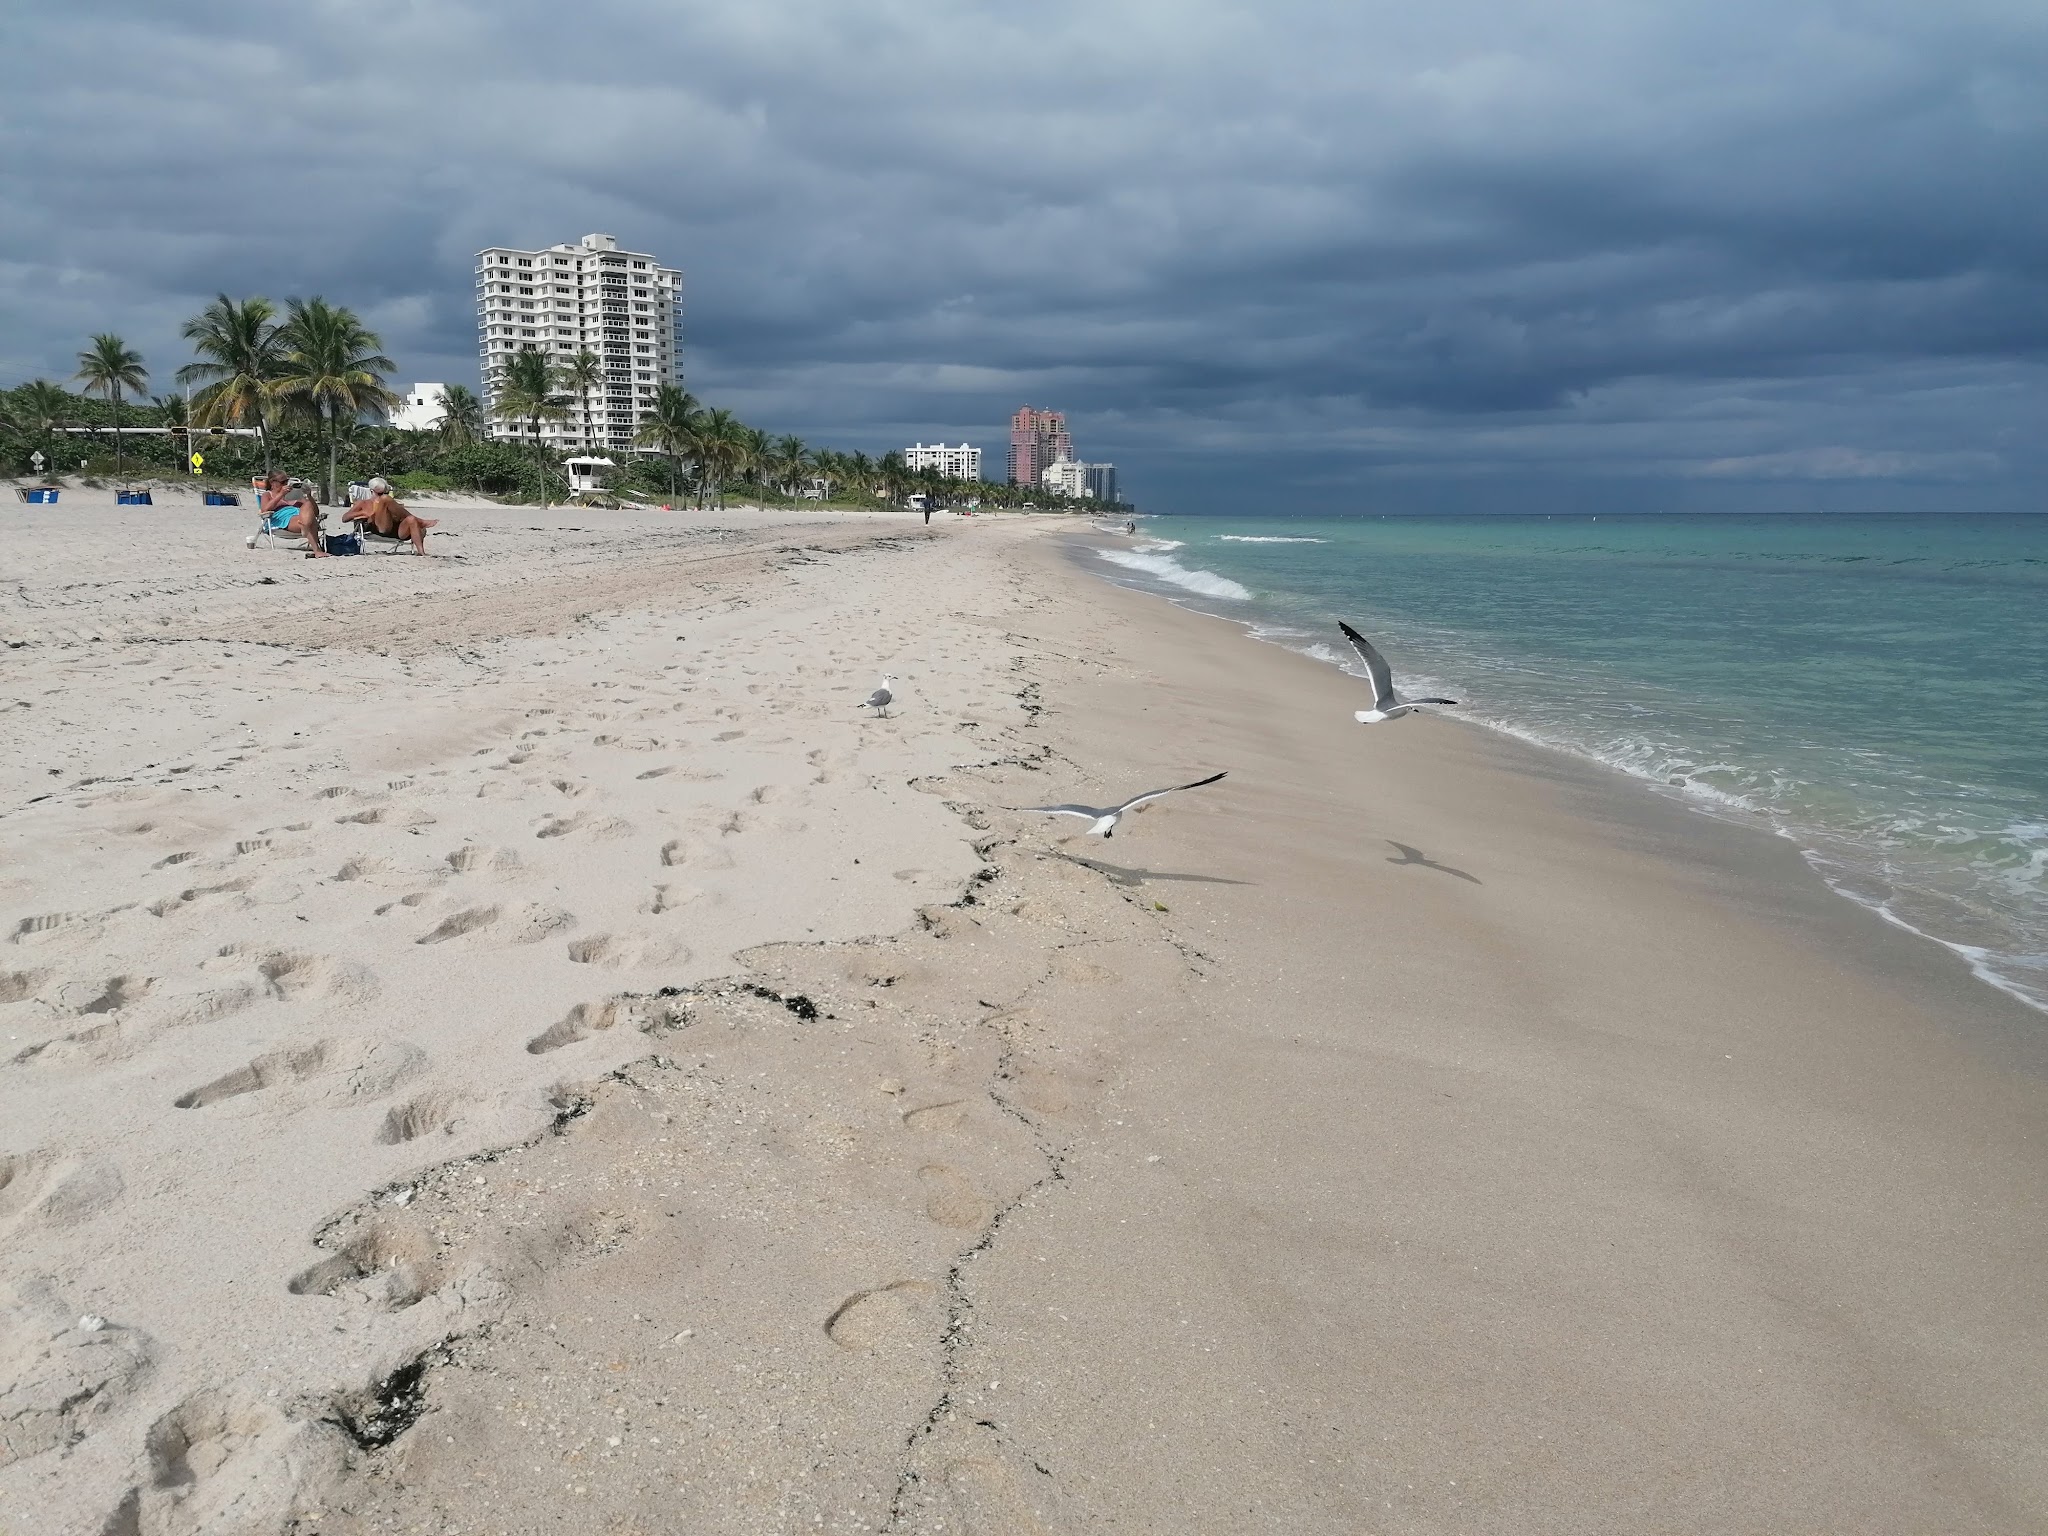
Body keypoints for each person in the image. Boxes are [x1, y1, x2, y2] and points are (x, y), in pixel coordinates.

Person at [345, 477, 438, 555]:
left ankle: (421, 553)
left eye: (384, 493)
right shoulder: (363, 503)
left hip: (396, 532)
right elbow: (344, 518)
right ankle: (421, 521)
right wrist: (363, 513)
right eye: (379, 494)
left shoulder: (388, 503)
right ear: (371, 491)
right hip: (379, 529)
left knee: (411, 519)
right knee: (385, 500)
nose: (381, 496)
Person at [258, 472, 329, 557]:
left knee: (308, 505)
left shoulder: (294, 494)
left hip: (302, 516)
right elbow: (264, 509)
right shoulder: (267, 495)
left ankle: (305, 527)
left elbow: (316, 512)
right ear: (272, 482)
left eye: (287, 481)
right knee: (307, 520)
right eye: (283, 482)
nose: (286, 484)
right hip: (283, 519)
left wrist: (309, 496)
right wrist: (281, 494)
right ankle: (316, 549)